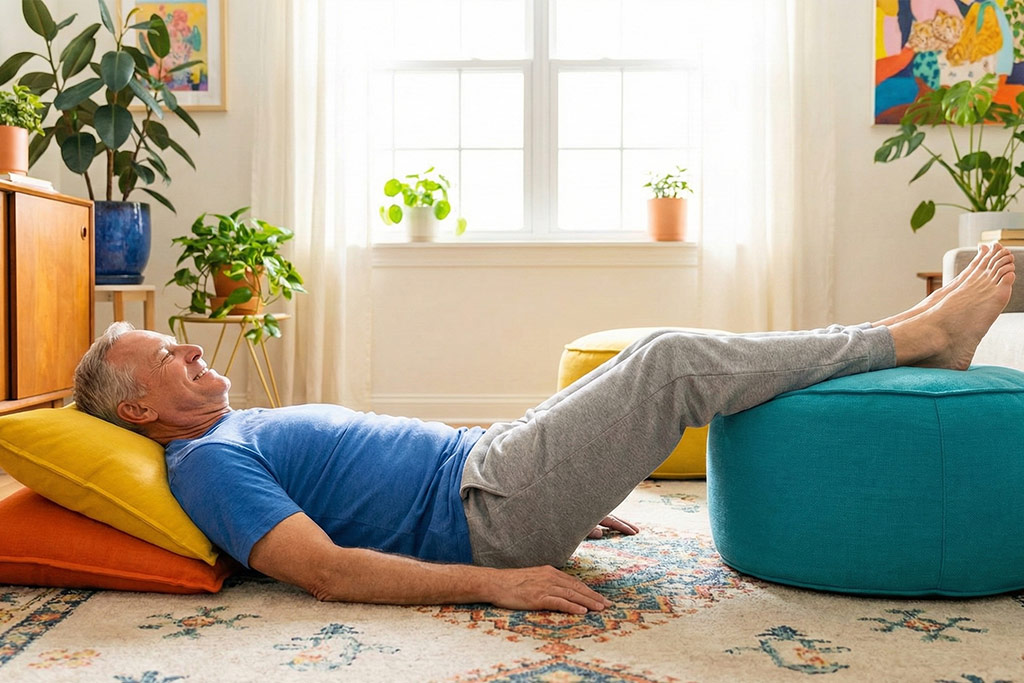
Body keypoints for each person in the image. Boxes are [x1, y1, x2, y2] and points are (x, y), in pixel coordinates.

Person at [72, 243, 1016, 615]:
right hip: (490, 509)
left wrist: (570, 480)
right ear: (139, 409)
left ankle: (912, 339)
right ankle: (917, 334)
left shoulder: (232, 425)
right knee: (670, 359)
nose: (193, 353)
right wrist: (499, 577)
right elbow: (322, 569)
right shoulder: (207, 461)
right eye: (169, 357)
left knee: (643, 355)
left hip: (490, 466)